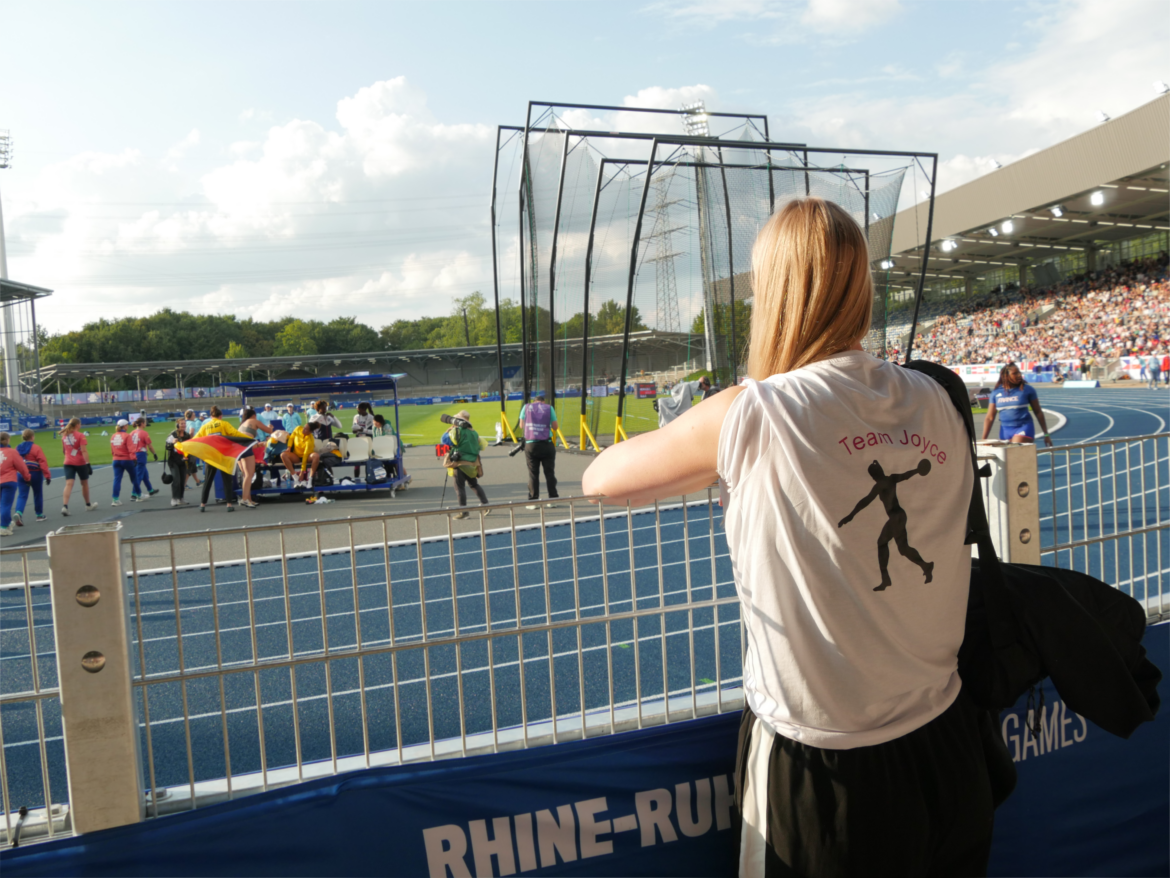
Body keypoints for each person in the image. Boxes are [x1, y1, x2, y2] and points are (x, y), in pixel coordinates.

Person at [582, 198, 992, 875]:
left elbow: (605, 478)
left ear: (772, 291)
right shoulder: (939, 399)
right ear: (860, 286)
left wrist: (721, 454)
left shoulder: (756, 413)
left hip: (824, 768)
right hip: (948, 745)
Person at [190, 405, 252, 512]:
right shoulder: (224, 424)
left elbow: (196, 439)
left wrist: (184, 446)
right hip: (223, 455)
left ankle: (203, 504)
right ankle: (229, 504)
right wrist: (249, 439)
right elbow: (235, 434)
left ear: (211, 416)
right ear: (221, 416)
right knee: (227, 480)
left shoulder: (205, 426)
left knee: (208, 481)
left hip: (211, 457)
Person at [982, 363, 1053, 446]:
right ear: (1005, 376)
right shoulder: (996, 393)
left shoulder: (1027, 390)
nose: (1019, 375)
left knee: (1014, 449)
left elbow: (1038, 412)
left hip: (1023, 428)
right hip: (1005, 430)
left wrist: (1046, 434)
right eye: (1015, 373)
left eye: (1019, 372)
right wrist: (984, 439)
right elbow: (990, 417)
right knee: (1008, 457)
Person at [445, 410, 489, 519]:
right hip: (472, 463)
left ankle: (463, 512)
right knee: (474, 485)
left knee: (459, 488)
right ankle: (486, 505)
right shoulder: (474, 432)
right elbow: (481, 446)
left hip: (459, 463)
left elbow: (445, 440)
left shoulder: (456, 431)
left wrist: (448, 431)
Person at [517, 393, 559, 509]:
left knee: (533, 474)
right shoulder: (549, 408)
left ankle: (533, 501)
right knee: (549, 473)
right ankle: (553, 499)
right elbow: (555, 427)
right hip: (547, 443)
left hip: (531, 444)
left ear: (534, 401)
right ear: (543, 402)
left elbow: (521, 425)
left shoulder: (526, 407)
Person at [236, 407, 273, 508]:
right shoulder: (254, 421)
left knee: (245, 475)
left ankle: (249, 499)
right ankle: (244, 499)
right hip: (246, 446)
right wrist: (271, 427)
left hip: (238, 448)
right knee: (249, 474)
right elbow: (269, 431)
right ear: (254, 415)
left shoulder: (242, 424)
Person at [60, 417, 98, 515]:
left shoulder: (64, 435)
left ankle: (65, 506)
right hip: (80, 462)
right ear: (77, 425)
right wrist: (88, 464)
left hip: (67, 462)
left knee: (68, 484)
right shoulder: (80, 435)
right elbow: (84, 450)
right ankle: (88, 504)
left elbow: (63, 451)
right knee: (84, 483)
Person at [14, 429, 49, 524]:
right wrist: (47, 475)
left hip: (21, 474)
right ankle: (39, 515)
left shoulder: (17, 448)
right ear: (32, 437)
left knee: (22, 495)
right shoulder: (36, 448)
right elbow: (42, 462)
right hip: (35, 473)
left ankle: (18, 512)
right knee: (37, 494)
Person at [0, 434, 31, 536]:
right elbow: (22, 467)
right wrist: (27, 478)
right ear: (7, 440)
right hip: (9, 481)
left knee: (2, 504)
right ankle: (3, 527)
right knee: (6, 505)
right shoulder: (12, 452)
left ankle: (7, 523)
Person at [110, 419, 142, 506]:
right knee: (134, 478)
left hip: (116, 459)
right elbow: (131, 449)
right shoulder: (127, 436)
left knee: (117, 479)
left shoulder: (113, 435)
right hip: (126, 459)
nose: (128, 426)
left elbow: (112, 450)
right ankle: (139, 495)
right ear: (124, 426)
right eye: (127, 425)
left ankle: (115, 499)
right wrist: (134, 458)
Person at [281, 422, 321, 488]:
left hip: (307, 456)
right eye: (304, 427)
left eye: (306, 429)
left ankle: (310, 479)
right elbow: (291, 438)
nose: (303, 430)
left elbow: (305, 456)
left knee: (316, 456)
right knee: (283, 455)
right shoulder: (298, 428)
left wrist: (302, 472)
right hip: (296, 456)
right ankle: (295, 477)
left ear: (310, 432)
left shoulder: (310, 440)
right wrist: (289, 447)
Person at [130, 417, 160, 498]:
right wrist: (154, 453)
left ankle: (150, 490)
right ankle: (134, 493)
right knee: (139, 474)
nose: (146, 424)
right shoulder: (144, 433)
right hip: (141, 454)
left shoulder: (132, 432)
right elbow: (149, 446)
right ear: (142, 423)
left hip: (133, 454)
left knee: (144, 474)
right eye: (145, 422)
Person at [164, 420, 192, 507]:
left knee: (182, 480)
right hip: (173, 461)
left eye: (184, 424)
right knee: (176, 479)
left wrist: (188, 458)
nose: (183, 425)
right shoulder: (173, 435)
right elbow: (167, 447)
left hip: (183, 461)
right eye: (181, 424)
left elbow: (189, 447)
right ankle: (174, 498)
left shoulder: (187, 435)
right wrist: (172, 443)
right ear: (177, 425)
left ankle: (181, 498)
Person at [351, 402, 375, 477]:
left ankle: (369, 480)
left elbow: (374, 432)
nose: (357, 410)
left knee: (368, 462)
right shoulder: (356, 417)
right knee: (357, 463)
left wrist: (362, 430)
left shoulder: (371, 417)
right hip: (359, 441)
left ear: (363, 409)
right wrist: (355, 430)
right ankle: (356, 480)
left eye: (358, 409)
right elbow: (354, 428)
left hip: (368, 441)